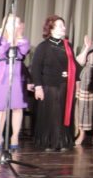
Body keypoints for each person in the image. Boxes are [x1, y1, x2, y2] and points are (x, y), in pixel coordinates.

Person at [31, 15, 77, 151]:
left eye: (63, 25)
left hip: (65, 85)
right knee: (52, 113)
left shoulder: (67, 45)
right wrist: (38, 87)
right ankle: (50, 142)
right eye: (60, 26)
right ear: (51, 29)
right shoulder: (43, 46)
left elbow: (73, 64)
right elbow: (35, 68)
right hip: (49, 85)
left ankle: (62, 141)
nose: (64, 28)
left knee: (63, 113)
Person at [0, 16, 29, 150]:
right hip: (2, 74)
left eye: (16, 22)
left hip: (17, 74)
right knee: (1, 108)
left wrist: (15, 39)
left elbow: (22, 53)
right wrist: (9, 39)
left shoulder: (23, 40)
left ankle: (15, 136)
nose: (14, 25)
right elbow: (1, 53)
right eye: (10, 23)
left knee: (17, 107)